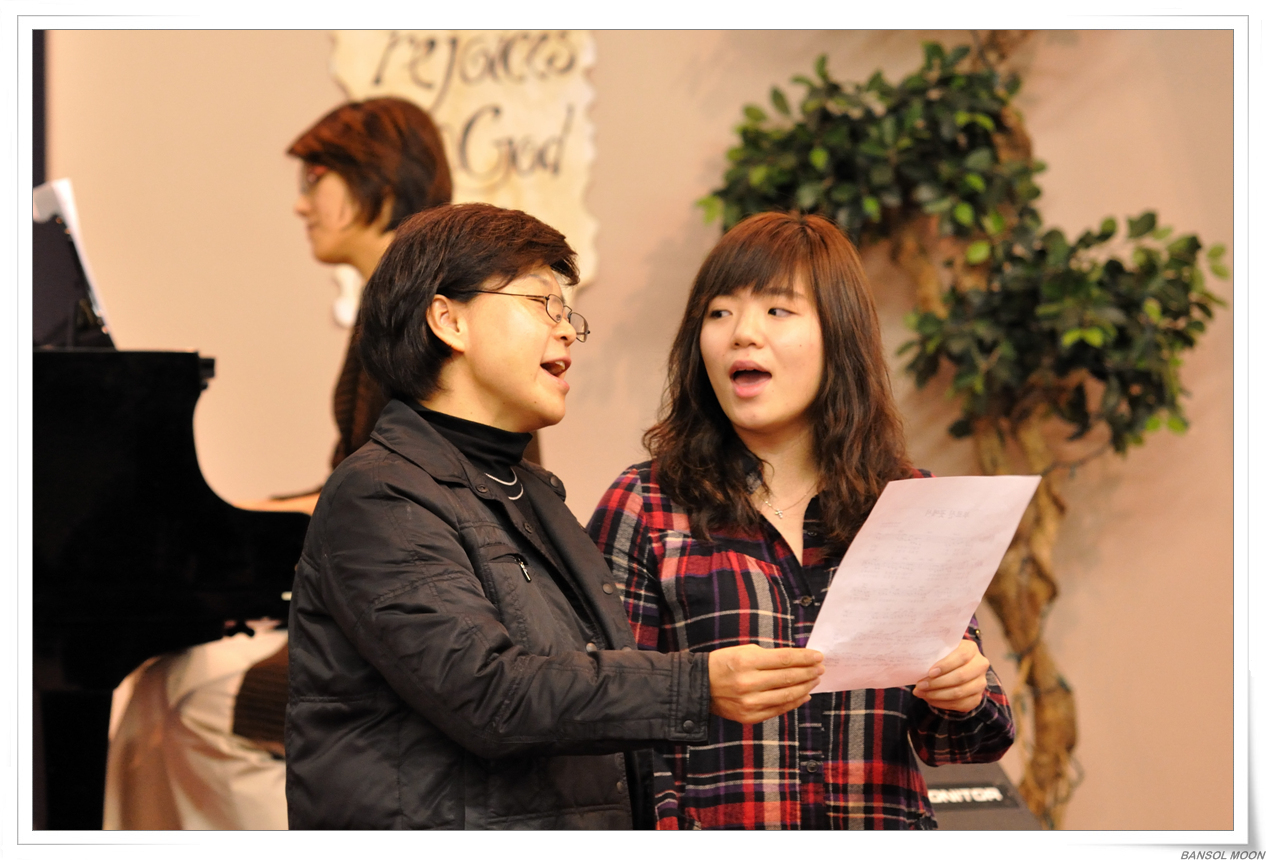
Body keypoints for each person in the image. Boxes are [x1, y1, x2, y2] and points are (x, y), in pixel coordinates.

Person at [284, 202, 826, 830]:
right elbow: (489, 693)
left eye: (568, 312)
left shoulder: (534, 496)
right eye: (543, 303)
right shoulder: (381, 493)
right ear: (448, 320)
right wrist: (699, 685)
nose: (567, 330)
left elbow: (589, 695)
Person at [586, 211, 1016, 830]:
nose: (742, 334)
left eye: (777, 310)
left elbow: (967, 743)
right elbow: (601, 714)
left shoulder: (908, 506)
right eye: (719, 312)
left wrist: (964, 691)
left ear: (839, 336)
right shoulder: (646, 503)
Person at [103, 97, 452, 830]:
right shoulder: (391, 304)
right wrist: (236, 516)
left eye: (316, 178)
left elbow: (398, 500)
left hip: (408, 629)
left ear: (380, 181)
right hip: (372, 608)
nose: (300, 204)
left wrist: (230, 522)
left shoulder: (417, 313)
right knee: (154, 687)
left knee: (197, 705)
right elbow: (355, 480)